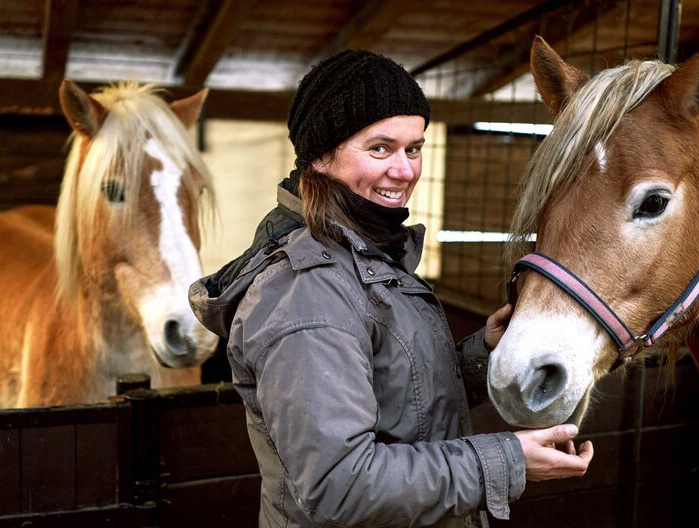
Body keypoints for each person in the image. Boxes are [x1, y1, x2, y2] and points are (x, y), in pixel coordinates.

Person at [189, 49, 593, 527]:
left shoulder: (368, 254)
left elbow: (395, 398)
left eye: (414, 148)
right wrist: (507, 460)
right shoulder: (307, 292)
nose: (404, 171)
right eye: (379, 148)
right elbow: (340, 485)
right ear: (320, 154)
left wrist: (480, 353)